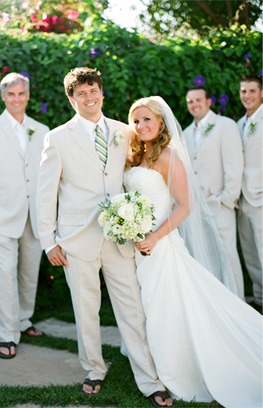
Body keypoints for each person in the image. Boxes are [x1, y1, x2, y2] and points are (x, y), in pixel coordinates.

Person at [36, 67, 171, 407]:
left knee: (132, 309)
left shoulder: (125, 132)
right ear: (72, 99)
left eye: (93, 90)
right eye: (81, 93)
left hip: (120, 236)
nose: (89, 97)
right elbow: (45, 192)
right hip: (75, 239)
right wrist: (48, 240)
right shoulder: (58, 137)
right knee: (86, 309)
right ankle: (94, 369)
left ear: (102, 93)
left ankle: (149, 378)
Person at [126, 96, 262, 408]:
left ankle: (174, 370)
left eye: (147, 119)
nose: (140, 126)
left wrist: (155, 237)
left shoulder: (169, 157)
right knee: (144, 306)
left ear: (161, 123)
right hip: (136, 246)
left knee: (165, 309)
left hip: (160, 247)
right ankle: (148, 361)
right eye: (136, 121)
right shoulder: (135, 155)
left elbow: (185, 206)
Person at [0, 72, 49, 359]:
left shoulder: (42, 130)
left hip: (36, 215)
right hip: (1, 215)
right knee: (6, 275)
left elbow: (47, 176)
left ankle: (23, 319)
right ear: (3, 97)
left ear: (28, 96)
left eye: (21, 94)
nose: (17, 99)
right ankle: (7, 334)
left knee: (30, 273)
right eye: (11, 94)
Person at [183, 86, 244, 299]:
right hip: (197, 208)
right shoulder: (186, 133)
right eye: (190, 101)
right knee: (206, 257)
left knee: (227, 256)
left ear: (209, 101)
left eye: (198, 100)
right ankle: (219, 304)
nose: (194, 105)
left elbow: (234, 165)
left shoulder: (225, 125)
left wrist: (227, 200)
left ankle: (239, 302)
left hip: (220, 205)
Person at [236, 74, 263, 313]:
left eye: (252, 91)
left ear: (261, 93)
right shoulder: (239, 124)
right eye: (244, 91)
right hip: (242, 198)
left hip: (261, 197)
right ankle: (259, 297)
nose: (247, 96)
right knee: (250, 250)